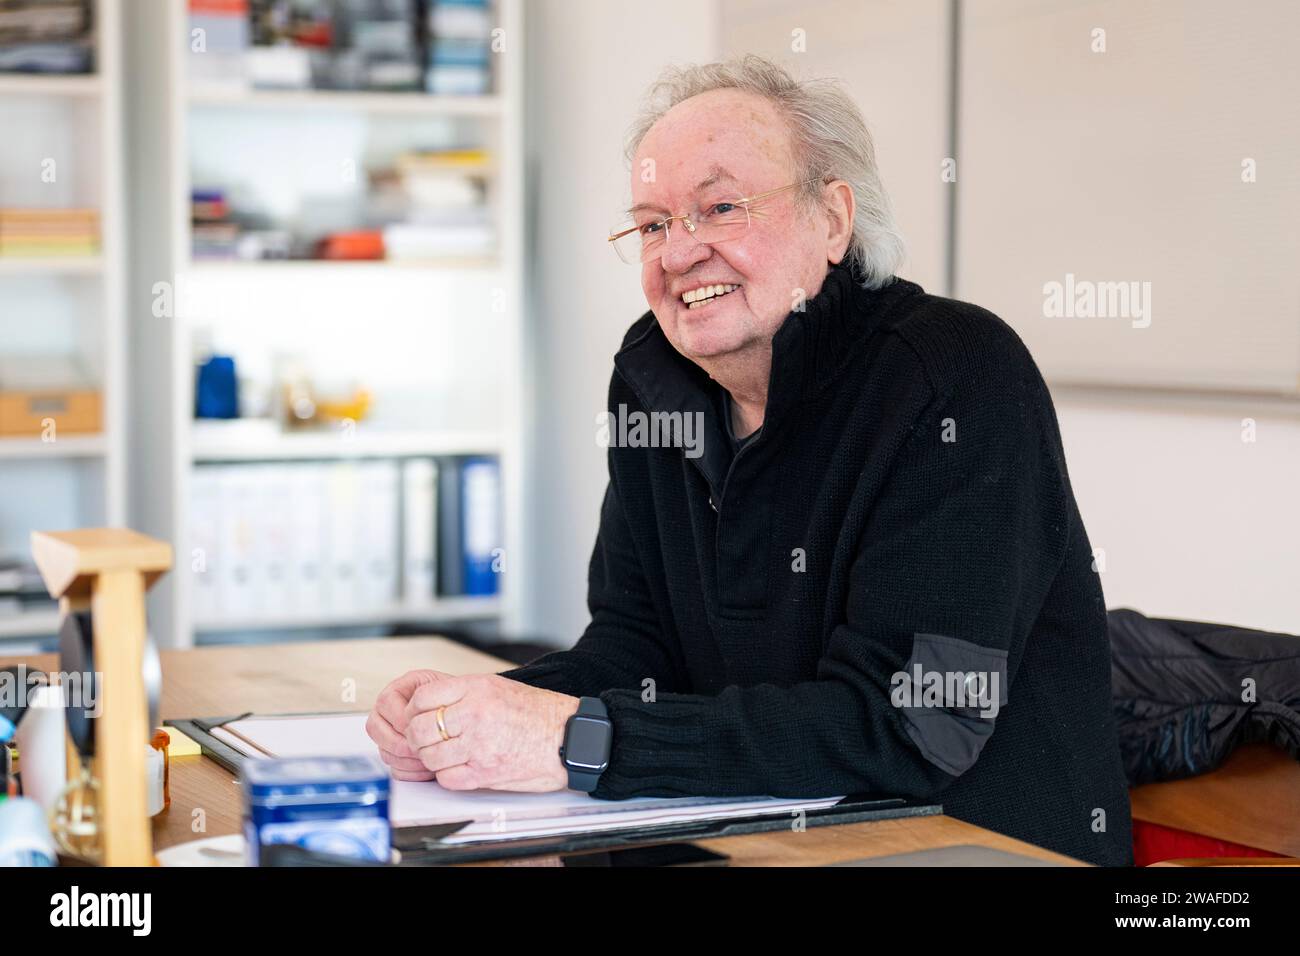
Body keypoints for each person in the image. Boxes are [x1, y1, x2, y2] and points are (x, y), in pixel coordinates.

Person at [366, 55, 1133, 866]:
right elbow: (635, 650)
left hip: (969, 845)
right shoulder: (652, 383)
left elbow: (912, 725)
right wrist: (476, 715)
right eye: (654, 224)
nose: (678, 253)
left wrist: (577, 738)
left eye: (720, 207)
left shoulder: (955, 376)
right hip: (746, 836)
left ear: (833, 220)